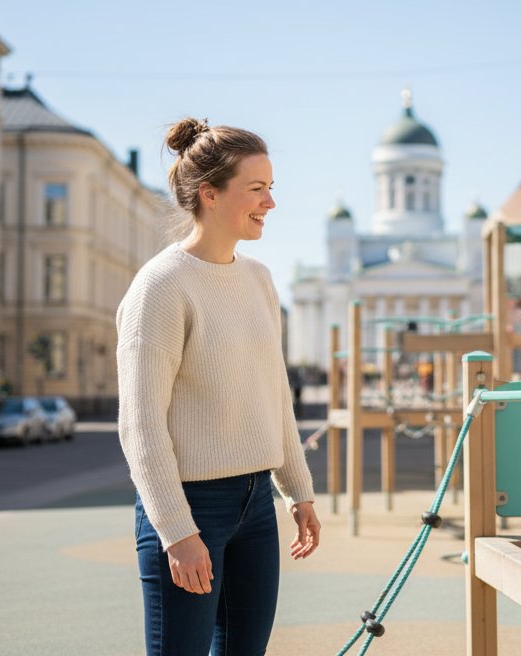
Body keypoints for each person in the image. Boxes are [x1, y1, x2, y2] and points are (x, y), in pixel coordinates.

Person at [116, 117, 320, 655]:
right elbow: (141, 426)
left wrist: (298, 490)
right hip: (188, 507)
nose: (270, 203)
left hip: (256, 505)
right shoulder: (159, 288)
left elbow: (275, 395)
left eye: (271, 188)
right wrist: (177, 531)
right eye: (257, 189)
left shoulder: (258, 279)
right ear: (210, 194)